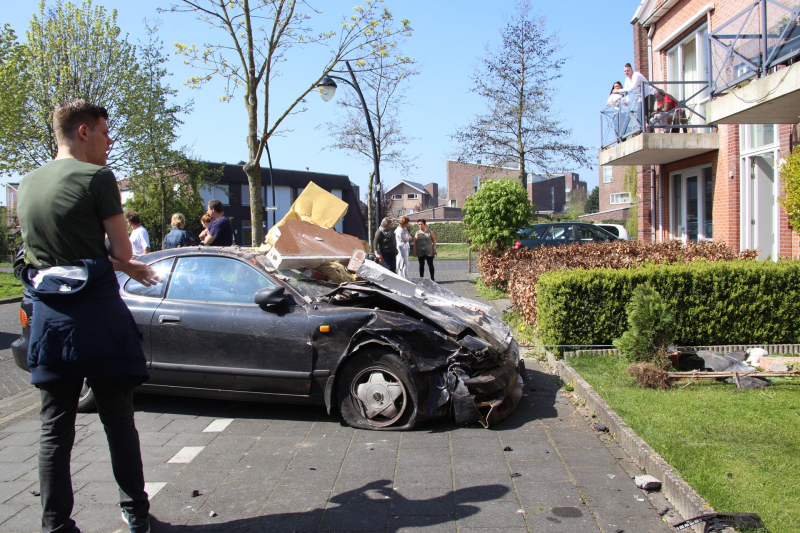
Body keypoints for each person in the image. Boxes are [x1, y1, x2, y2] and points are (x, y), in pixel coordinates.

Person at [16, 99, 158, 533]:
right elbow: (122, 250)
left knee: (54, 429)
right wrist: (126, 264)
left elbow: (50, 260)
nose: (110, 142)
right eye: (104, 133)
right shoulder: (97, 177)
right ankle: (134, 512)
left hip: (50, 320)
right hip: (97, 319)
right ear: (83, 132)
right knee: (118, 422)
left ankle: (56, 524)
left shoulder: (27, 183)